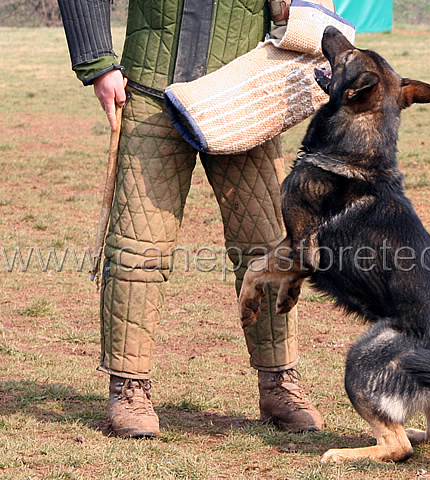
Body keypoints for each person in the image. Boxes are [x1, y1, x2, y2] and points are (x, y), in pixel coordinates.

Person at [58, 0, 323, 438]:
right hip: (149, 91)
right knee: (137, 245)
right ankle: (129, 387)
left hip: (242, 93)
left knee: (268, 244)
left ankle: (278, 381)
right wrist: (98, 64)